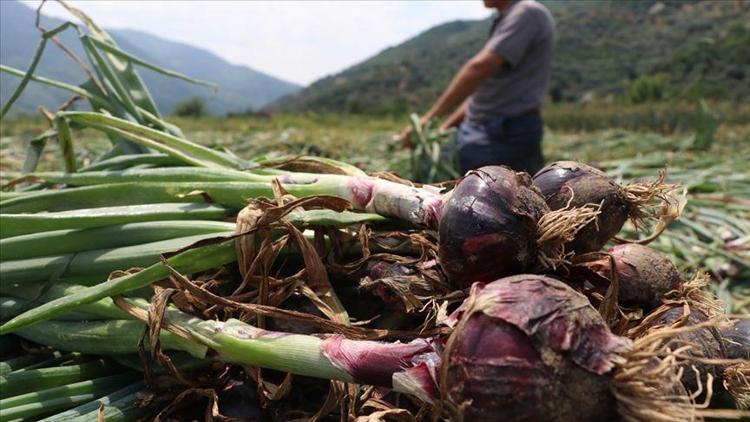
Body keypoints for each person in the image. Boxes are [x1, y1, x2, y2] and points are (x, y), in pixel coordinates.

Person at [398, 0, 556, 176]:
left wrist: (426, 120)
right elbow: (482, 92)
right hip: (484, 130)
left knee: (489, 196)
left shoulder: (527, 12)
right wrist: (442, 129)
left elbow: (479, 68)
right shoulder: (508, 17)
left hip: (503, 133)